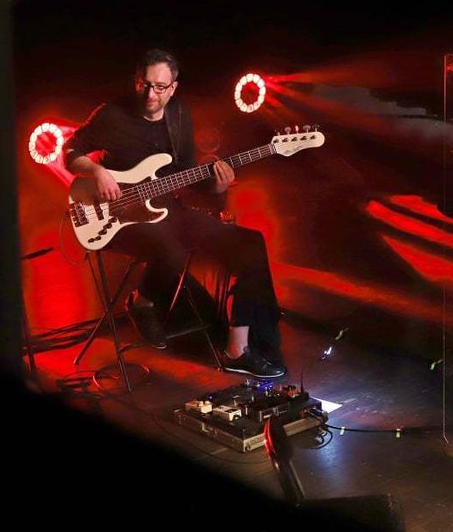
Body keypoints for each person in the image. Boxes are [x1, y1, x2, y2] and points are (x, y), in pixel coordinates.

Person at [64, 48, 287, 378]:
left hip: (165, 210)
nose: (150, 94)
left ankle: (236, 350)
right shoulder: (112, 114)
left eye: (159, 87)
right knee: (172, 246)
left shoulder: (179, 115)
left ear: (173, 88)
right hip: (116, 217)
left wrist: (216, 186)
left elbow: (183, 174)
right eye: (144, 84)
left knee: (249, 243)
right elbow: (69, 151)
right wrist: (97, 172)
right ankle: (142, 301)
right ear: (135, 80)